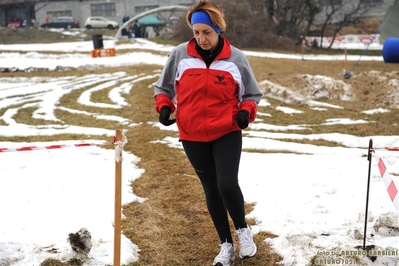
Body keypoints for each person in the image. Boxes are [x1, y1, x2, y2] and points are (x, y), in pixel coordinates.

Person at [153, 0, 262, 265]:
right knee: (211, 189)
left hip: (226, 130)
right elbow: (163, 88)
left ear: (218, 30)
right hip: (191, 134)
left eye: (207, 32)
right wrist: (165, 107)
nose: (201, 38)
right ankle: (226, 245)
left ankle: (243, 231)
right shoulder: (180, 54)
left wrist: (246, 111)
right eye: (196, 32)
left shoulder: (236, 58)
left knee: (227, 184)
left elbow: (251, 93)